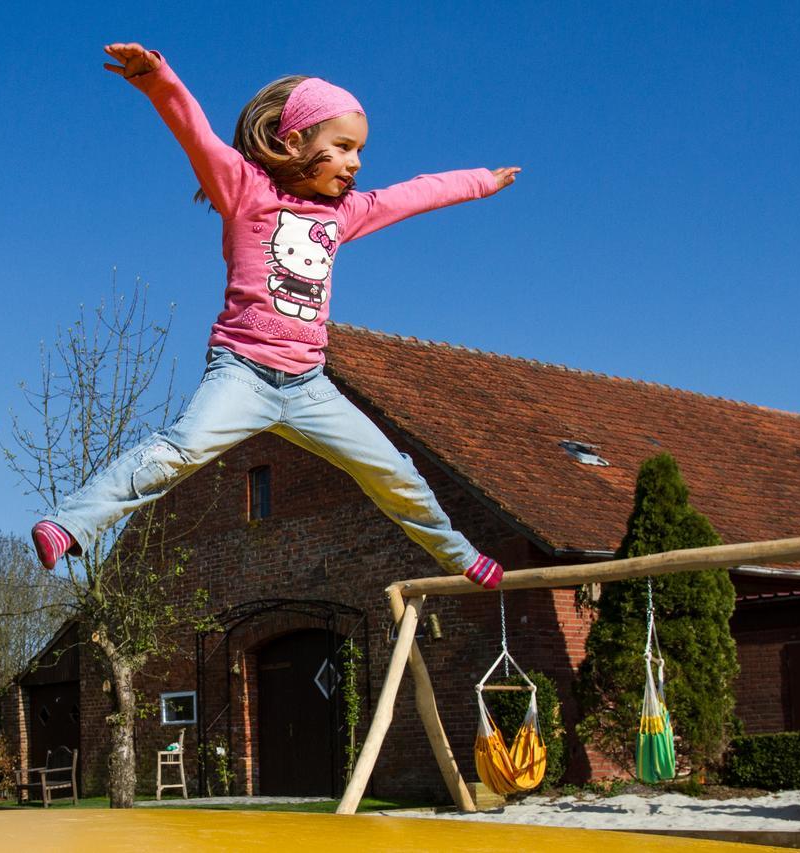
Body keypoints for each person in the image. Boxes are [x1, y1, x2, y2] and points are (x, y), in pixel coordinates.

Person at [31, 43, 519, 590]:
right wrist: (159, 81)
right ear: (294, 142)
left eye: (359, 151)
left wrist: (483, 181)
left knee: (391, 471)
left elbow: (417, 194)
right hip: (241, 374)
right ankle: (70, 524)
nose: (355, 163)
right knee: (180, 449)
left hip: (311, 387)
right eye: (342, 148)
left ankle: (460, 556)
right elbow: (198, 137)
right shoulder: (245, 191)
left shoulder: (347, 213)